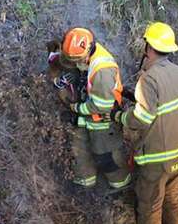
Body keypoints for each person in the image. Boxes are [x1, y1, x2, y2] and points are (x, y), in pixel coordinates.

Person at [112, 22, 178, 224]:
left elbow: (142, 119)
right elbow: (163, 106)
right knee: (174, 196)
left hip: (158, 160)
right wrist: (132, 96)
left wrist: (120, 117)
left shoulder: (149, 78)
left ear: (149, 47)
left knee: (150, 207)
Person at [53, 27, 132, 191]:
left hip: (103, 121)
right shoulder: (89, 50)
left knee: (106, 158)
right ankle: (85, 184)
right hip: (88, 117)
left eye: (76, 61)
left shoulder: (102, 71)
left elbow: (102, 106)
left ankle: (121, 186)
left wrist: (76, 107)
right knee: (79, 150)